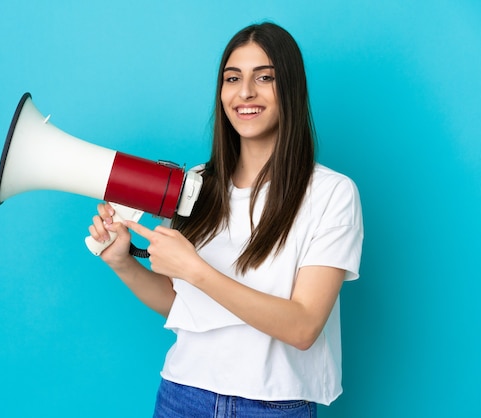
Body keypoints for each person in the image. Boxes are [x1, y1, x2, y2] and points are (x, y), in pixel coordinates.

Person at [89, 22, 363, 418]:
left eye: (264, 77)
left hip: (272, 406)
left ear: (291, 88)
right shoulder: (194, 185)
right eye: (232, 78)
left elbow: (303, 327)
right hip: (182, 395)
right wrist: (122, 262)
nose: (245, 92)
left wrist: (196, 270)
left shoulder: (332, 194)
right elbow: (180, 305)